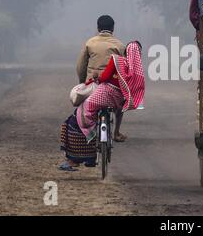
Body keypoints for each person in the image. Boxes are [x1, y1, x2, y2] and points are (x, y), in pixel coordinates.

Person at [59, 41, 145, 171]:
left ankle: (75, 159)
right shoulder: (138, 72)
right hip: (118, 101)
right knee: (109, 112)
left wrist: (95, 78)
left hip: (103, 95)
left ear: (125, 52)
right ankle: (114, 134)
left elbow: (104, 77)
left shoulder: (117, 60)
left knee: (78, 116)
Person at [76, 15, 127, 142]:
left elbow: (80, 66)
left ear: (98, 28)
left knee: (85, 107)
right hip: (112, 88)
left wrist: (83, 82)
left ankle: (89, 132)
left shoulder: (90, 43)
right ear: (113, 29)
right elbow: (126, 68)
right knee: (120, 107)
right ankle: (116, 133)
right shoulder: (120, 46)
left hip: (92, 85)